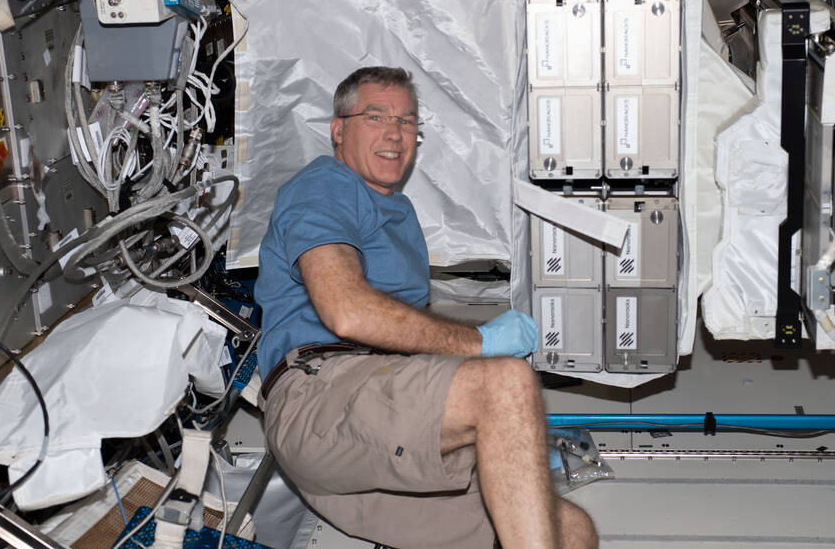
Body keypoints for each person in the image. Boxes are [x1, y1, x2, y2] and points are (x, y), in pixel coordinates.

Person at [254, 66, 598, 549]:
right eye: (376, 116)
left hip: (372, 442)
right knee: (504, 386)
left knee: (573, 530)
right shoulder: (324, 186)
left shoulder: (400, 213)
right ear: (338, 130)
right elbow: (347, 312)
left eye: (408, 121)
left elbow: (407, 342)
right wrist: (480, 343)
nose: (395, 133)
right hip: (318, 400)